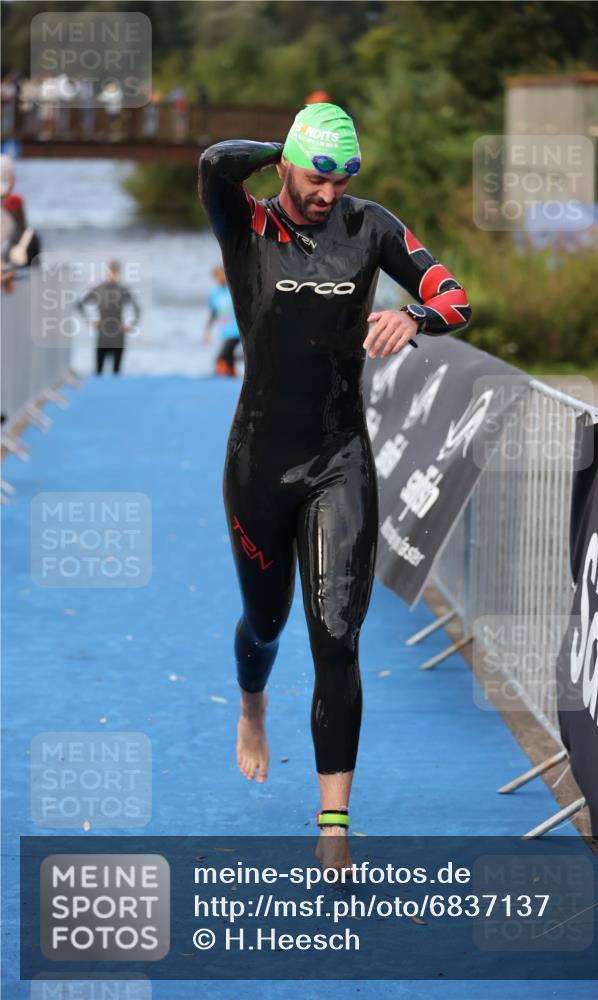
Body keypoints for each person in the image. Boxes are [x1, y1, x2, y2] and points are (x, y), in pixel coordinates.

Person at [198, 102, 471, 870]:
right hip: (257, 462)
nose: (329, 194)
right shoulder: (244, 224)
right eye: (318, 175)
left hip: (337, 459)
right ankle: (251, 708)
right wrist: (280, 145)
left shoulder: (370, 227)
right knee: (265, 622)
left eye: (344, 177)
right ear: (285, 163)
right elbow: (214, 161)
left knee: (337, 639)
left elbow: (456, 296)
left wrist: (414, 317)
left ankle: (332, 823)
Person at [76, 260, 140, 375]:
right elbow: (79, 305)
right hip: (104, 334)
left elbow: (137, 309)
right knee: (100, 372)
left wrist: (131, 325)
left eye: (114, 272)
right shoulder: (103, 289)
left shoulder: (120, 290)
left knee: (115, 372)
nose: (113, 274)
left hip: (116, 334)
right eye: (113, 271)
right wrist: (89, 321)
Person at [201, 266, 241, 376]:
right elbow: (214, 312)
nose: (221, 278)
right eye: (217, 276)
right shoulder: (215, 293)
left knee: (221, 357)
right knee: (229, 357)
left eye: (222, 275)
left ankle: (220, 375)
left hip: (238, 330)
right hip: (225, 330)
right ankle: (232, 375)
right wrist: (207, 330)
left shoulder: (233, 289)